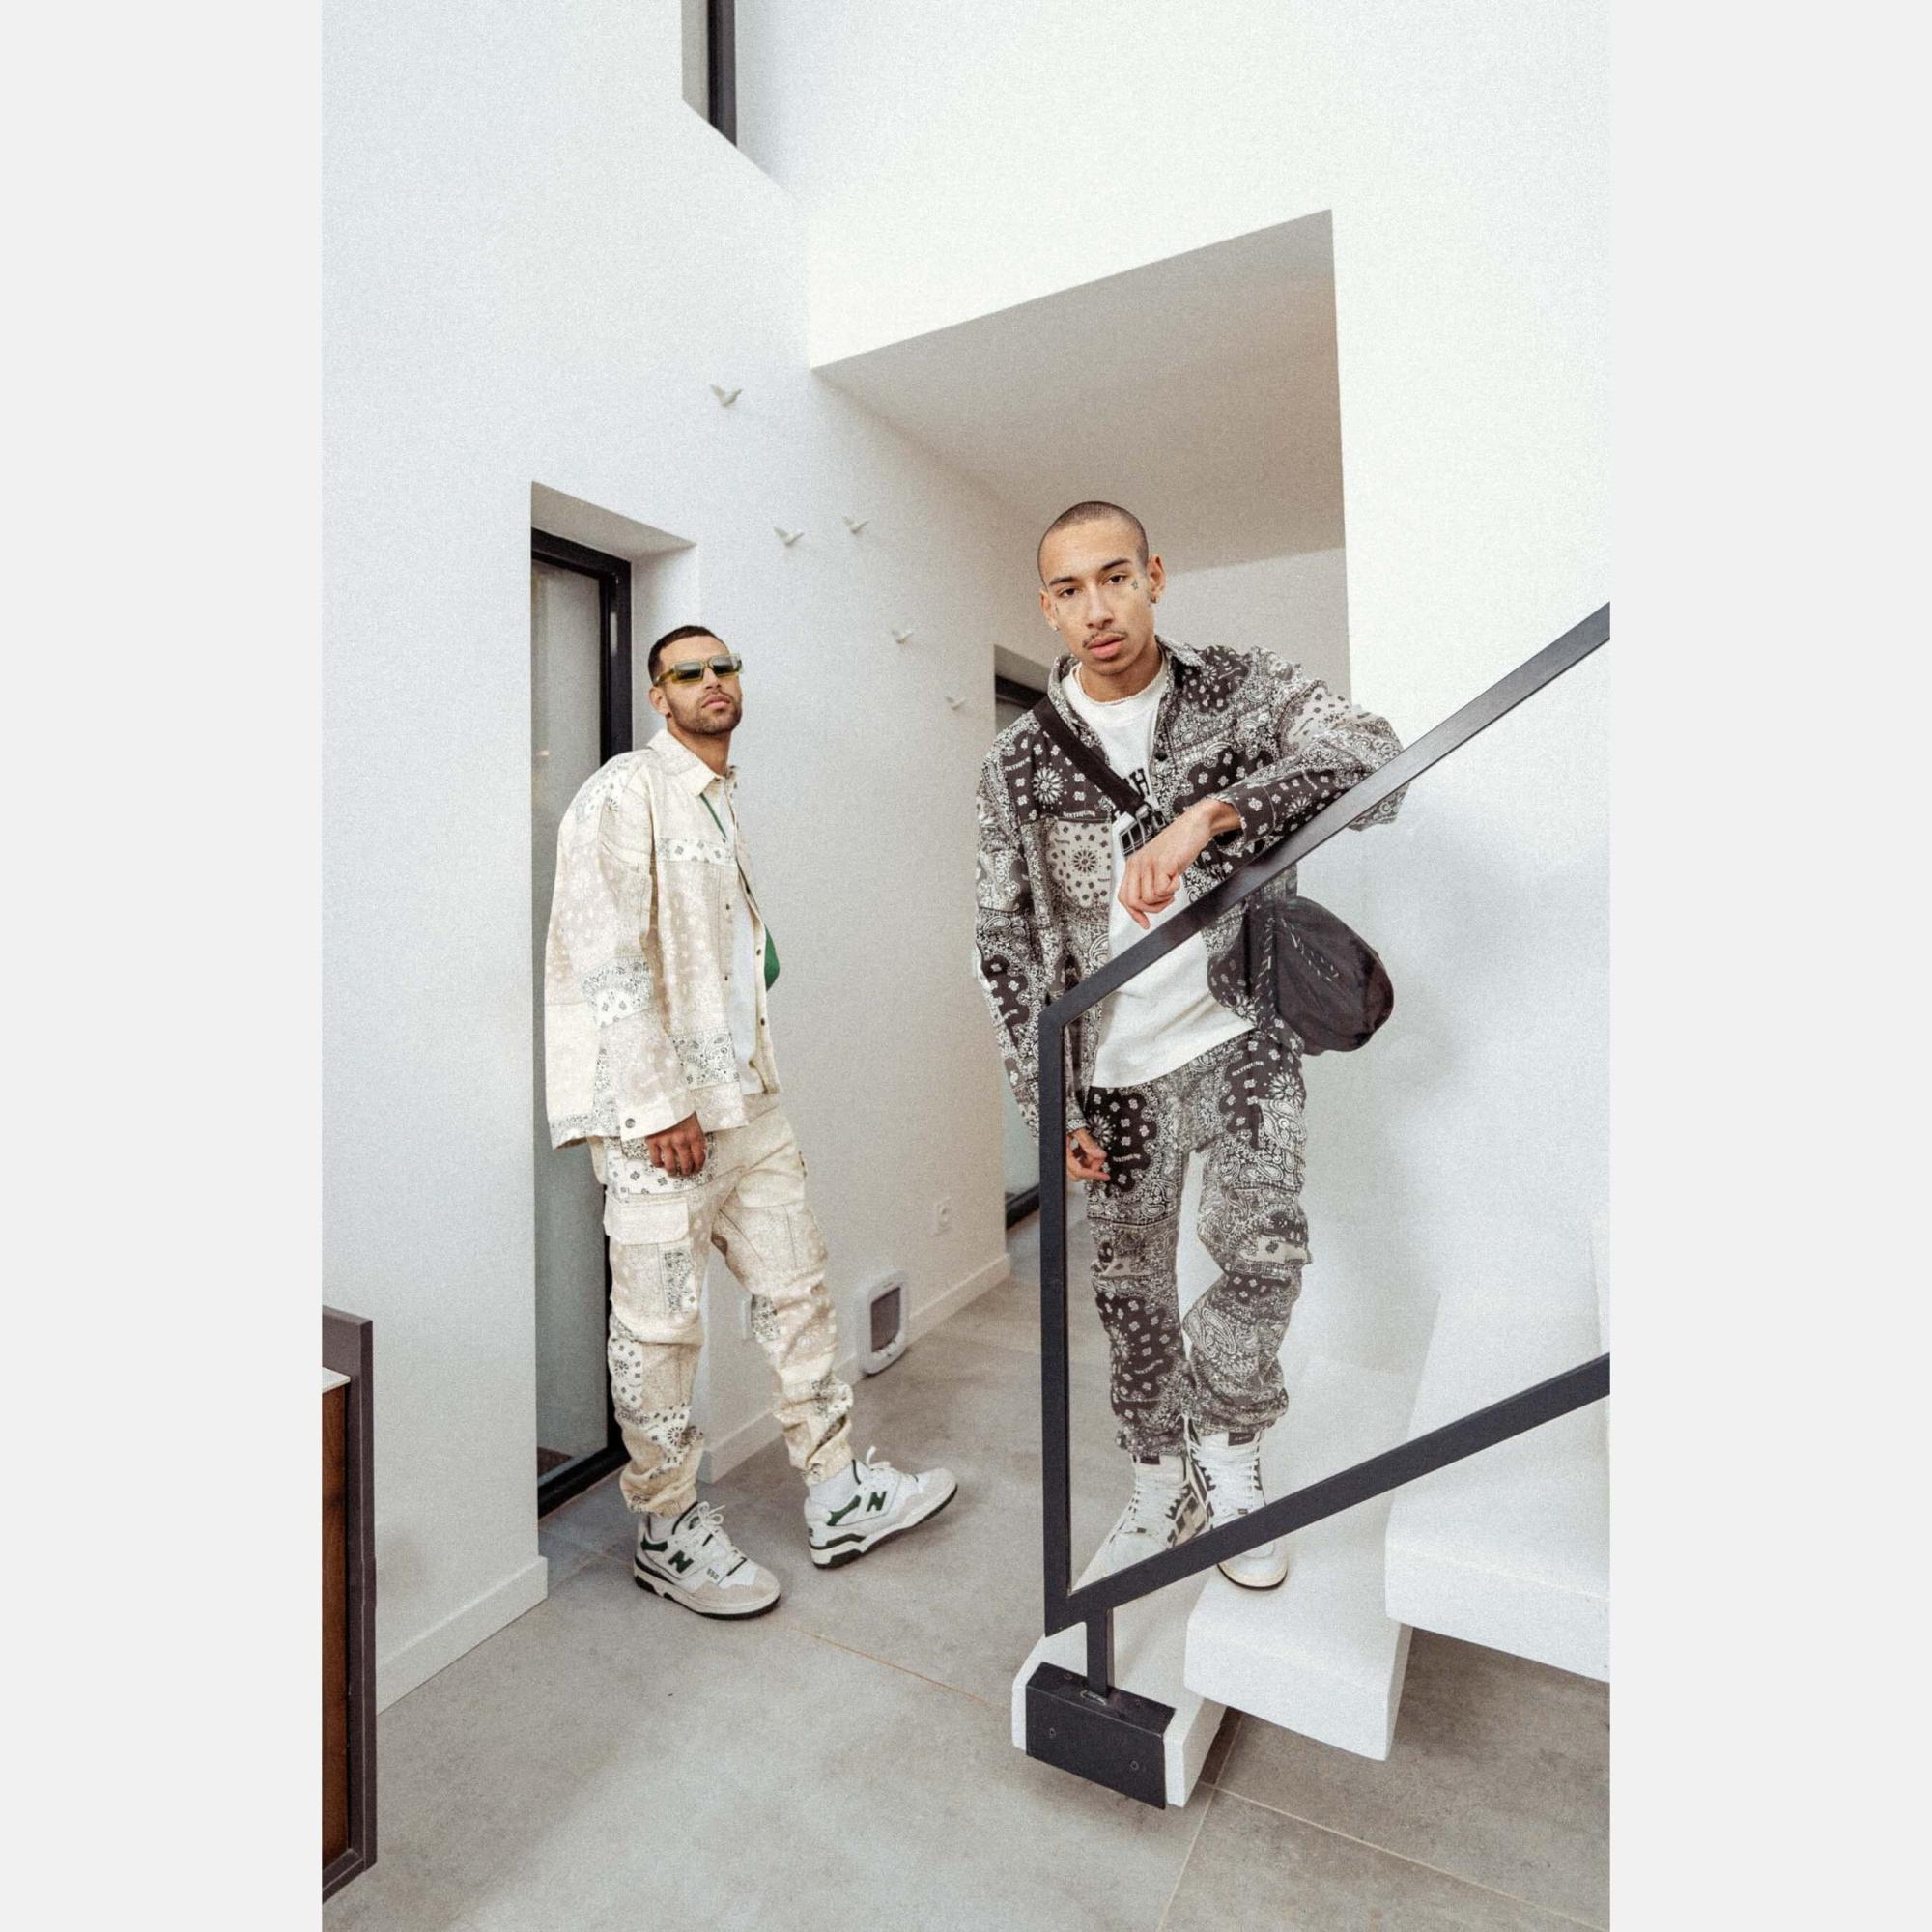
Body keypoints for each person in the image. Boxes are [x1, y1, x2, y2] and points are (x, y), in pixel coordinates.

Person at [972, 503, 1403, 1588]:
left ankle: (1229, 1448)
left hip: (1241, 1026)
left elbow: (1374, 756)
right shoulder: (1019, 762)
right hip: (1111, 1068)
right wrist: (1046, 1099)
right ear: (1046, 607)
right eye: (1069, 589)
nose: (1096, 607)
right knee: (1131, 1290)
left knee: (1264, 1251)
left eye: (1115, 577)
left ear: (1154, 576)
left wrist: (1215, 812)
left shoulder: (1239, 689)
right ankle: (1159, 1476)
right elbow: (1002, 941)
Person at [545, 624, 956, 1618]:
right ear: (658, 695)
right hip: (661, 1118)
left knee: (796, 1289)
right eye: (687, 673)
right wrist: (659, 1102)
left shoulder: (719, 797)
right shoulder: (623, 791)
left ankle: (837, 1490)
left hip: (747, 1098)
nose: (712, 682)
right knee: (658, 1329)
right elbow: (604, 957)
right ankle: (665, 1528)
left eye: (724, 667)